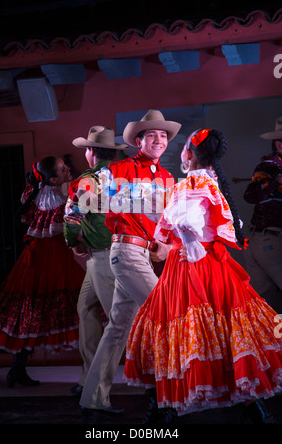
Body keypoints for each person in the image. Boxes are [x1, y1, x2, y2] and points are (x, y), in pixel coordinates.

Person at [124, 128, 282, 424]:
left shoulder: (194, 182)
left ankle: (166, 409)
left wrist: (191, 246)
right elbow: (223, 221)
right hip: (212, 266)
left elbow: (185, 221)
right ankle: (253, 407)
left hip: (193, 268)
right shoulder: (211, 180)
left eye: (184, 146)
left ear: (190, 154)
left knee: (186, 331)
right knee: (226, 334)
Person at [79, 109, 181, 414]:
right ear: (138, 140)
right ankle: (163, 396)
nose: (159, 140)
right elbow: (89, 201)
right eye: (152, 135)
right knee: (165, 315)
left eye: (163, 135)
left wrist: (167, 244)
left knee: (118, 327)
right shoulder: (119, 169)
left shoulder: (167, 177)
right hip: (125, 252)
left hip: (144, 255)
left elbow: (168, 220)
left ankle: (93, 399)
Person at [0, 156, 85, 387]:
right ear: (53, 178)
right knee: (35, 312)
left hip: (45, 258)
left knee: (36, 313)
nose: (67, 169)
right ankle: (20, 369)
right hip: (45, 261)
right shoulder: (59, 195)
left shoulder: (45, 193)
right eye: (62, 169)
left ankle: (18, 369)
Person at [63, 125, 128, 396]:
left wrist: (72, 240)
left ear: (90, 152)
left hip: (103, 255)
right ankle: (89, 376)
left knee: (118, 323)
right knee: (86, 310)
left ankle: (98, 388)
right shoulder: (122, 176)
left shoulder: (86, 181)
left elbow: (72, 218)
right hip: (108, 254)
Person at [243, 117, 282, 312]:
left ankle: (271, 341)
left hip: (264, 239)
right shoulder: (270, 166)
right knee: (264, 302)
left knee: (266, 303)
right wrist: (275, 181)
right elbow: (250, 195)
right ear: (277, 143)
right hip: (271, 241)